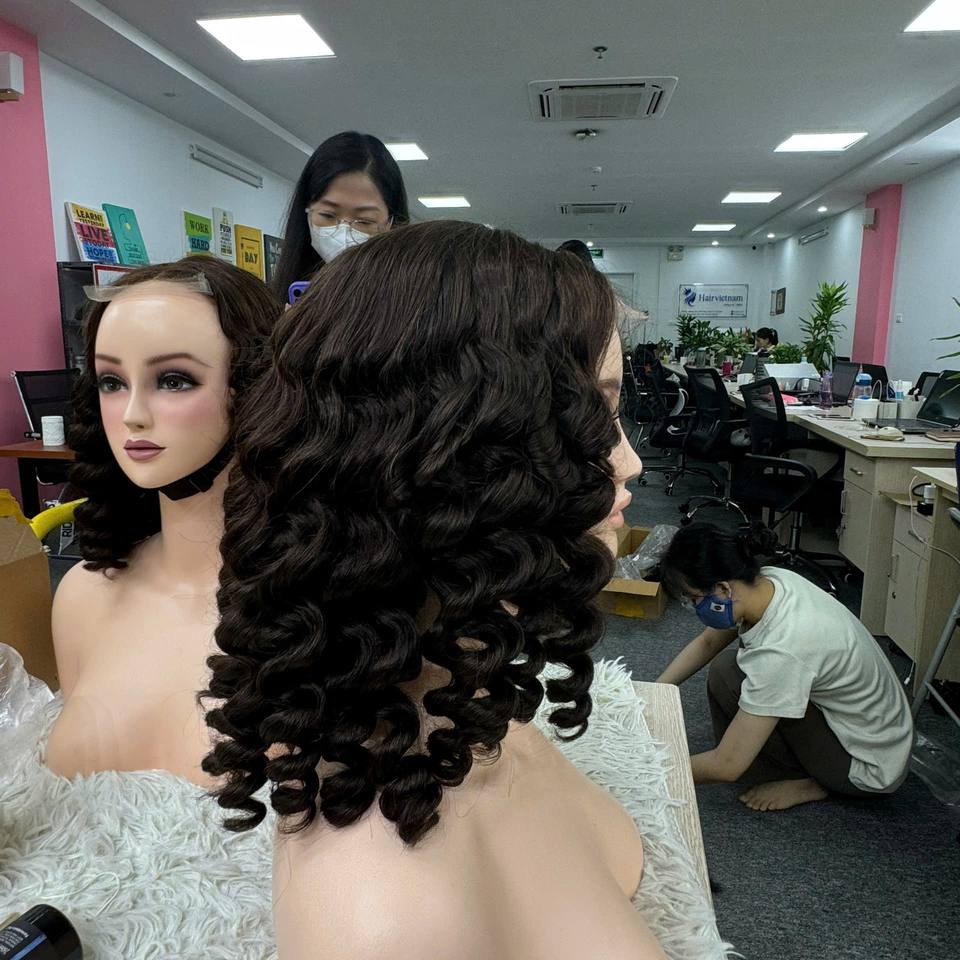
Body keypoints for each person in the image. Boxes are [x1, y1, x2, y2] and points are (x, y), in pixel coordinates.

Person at [202, 221, 664, 960]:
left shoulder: (474, 714)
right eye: (591, 416)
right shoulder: (383, 923)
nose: (630, 463)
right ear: (452, 456)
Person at [45, 256, 281, 785]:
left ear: (254, 388)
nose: (132, 413)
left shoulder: (317, 616)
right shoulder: (84, 597)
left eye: (174, 380)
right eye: (111, 381)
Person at [657, 522, 914, 812]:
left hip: (867, 766)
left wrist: (648, 771)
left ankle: (812, 781)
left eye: (694, 599)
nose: (694, 608)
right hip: (875, 728)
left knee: (738, 723)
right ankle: (765, 755)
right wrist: (652, 691)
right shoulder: (768, 582)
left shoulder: (783, 651)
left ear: (723, 589)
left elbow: (727, 765)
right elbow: (707, 643)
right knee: (726, 671)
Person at [270, 131, 410, 301]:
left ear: (392, 223)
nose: (343, 235)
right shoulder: (277, 301)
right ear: (306, 213)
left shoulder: (411, 300)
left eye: (365, 221)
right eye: (328, 215)